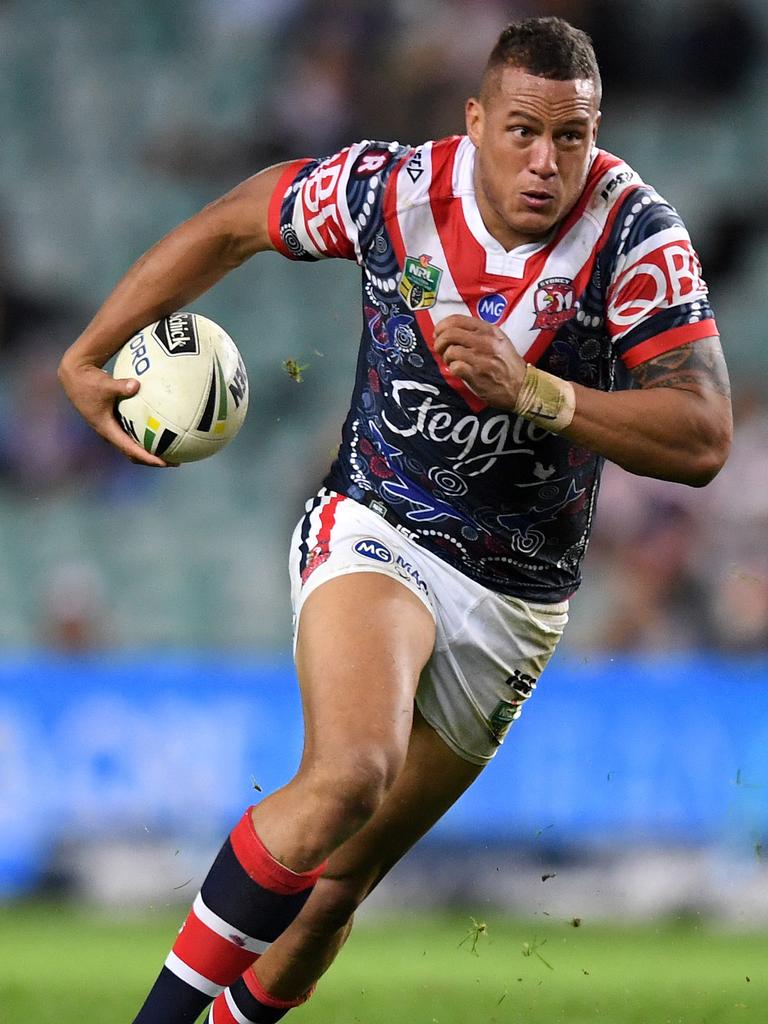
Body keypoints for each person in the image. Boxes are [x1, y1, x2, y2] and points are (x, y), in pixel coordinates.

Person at [58, 16, 732, 1024]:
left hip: (518, 599)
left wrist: (535, 393)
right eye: (521, 131)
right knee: (347, 776)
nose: (546, 162)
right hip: (380, 524)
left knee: (334, 891)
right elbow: (238, 219)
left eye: (572, 138)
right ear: (475, 121)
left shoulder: (635, 235)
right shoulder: (394, 188)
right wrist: (88, 354)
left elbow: (704, 433)